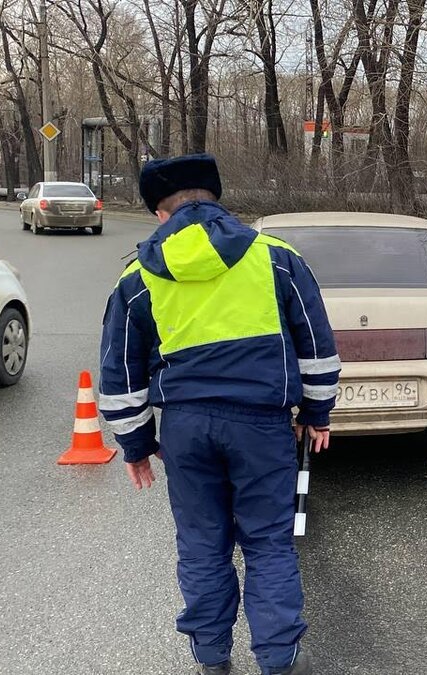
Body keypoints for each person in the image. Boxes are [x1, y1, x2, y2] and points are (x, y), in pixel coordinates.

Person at [98, 154, 339, 674]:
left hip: (185, 429)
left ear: (160, 216)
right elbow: (317, 346)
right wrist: (317, 413)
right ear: (217, 201)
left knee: (203, 544)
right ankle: (278, 660)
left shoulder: (137, 278)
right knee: (268, 542)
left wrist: (136, 447)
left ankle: (212, 659)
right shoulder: (276, 259)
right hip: (261, 425)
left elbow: (120, 376)